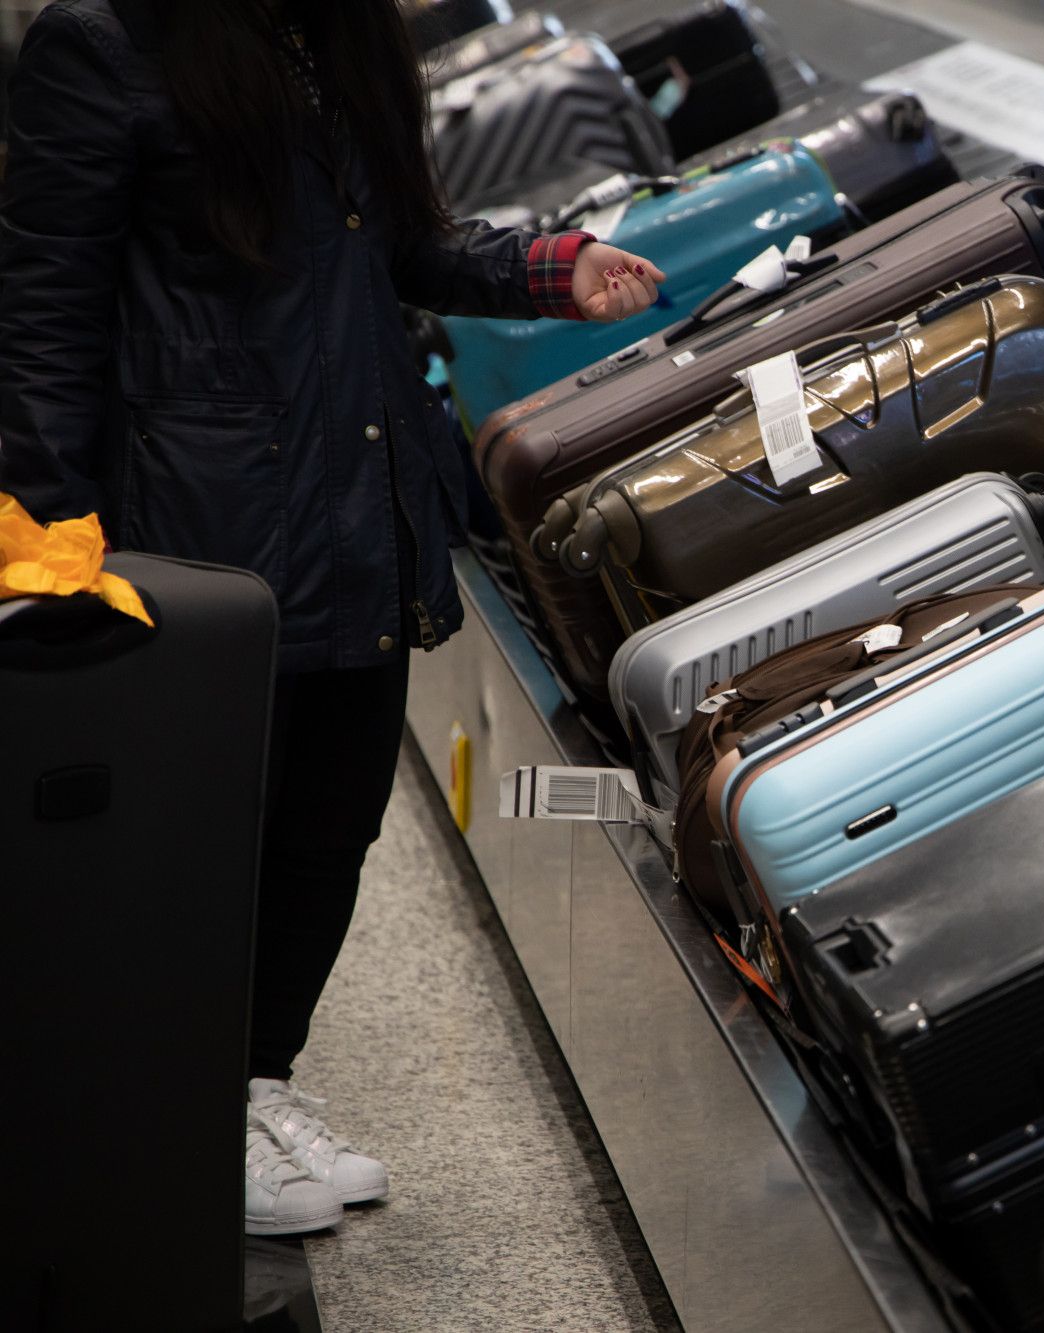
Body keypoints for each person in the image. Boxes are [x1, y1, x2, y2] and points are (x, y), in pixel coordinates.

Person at [0, 0, 665, 1236]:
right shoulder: (105, 41)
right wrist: (45, 546)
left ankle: (255, 1085)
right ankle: (175, 1119)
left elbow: (399, 244)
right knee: (202, 840)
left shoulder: (346, 30)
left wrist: (545, 267)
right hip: (198, 520)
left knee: (325, 826)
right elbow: (42, 316)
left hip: (358, 498)